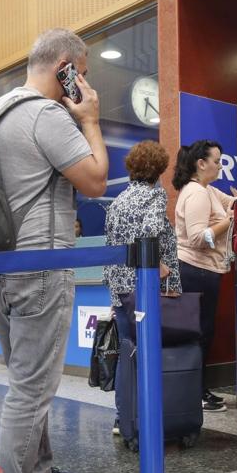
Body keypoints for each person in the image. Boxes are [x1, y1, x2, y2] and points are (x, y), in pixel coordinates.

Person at [0, 27, 107, 473]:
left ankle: (38, 469)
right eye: (84, 74)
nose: (85, 85)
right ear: (65, 70)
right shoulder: (46, 114)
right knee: (32, 385)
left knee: (25, 376)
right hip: (40, 264)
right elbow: (95, 179)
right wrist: (90, 119)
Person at [103, 141, 181, 433]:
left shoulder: (118, 200)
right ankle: (149, 416)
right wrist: (158, 265)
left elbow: (111, 244)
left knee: (128, 351)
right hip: (146, 289)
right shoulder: (154, 195)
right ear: (159, 169)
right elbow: (149, 232)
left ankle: (123, 417)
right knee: (150, 352)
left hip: (121, 289)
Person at [173, 140, 234, 411]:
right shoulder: (196, 193)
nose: (220, 166)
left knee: (204, 332)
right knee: (199, 333)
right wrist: (229, 221)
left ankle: (197, 389)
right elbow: (198, 237)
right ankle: (194, 391)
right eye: (217, 160)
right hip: (195, 269)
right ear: (201, 163)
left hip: (205, 270)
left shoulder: (207, 191)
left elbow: (234, 202)